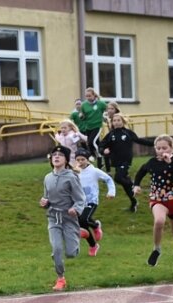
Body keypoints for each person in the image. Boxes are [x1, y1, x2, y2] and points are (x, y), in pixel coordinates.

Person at [133, 135, 173, 271]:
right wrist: (136, 185)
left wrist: (170, 162)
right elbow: (141, 172)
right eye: (158, 148)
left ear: (172, 148)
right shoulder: (152, 162)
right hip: (158, 198)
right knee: (159, 221)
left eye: (164, 148)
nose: (161, 150)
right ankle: (157, 249)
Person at [39, 145, 85, 291]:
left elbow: (80, 199)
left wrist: (76, 209)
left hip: (69, 218)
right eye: (54, 155)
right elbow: (46, 198)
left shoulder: (72, 177)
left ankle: (81, 232)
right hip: (53, 218)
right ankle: (60, 278)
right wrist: (44, 203)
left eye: (60, 155)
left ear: (66, 160)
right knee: (57, 248)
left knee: (71, 253)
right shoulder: (47, 178)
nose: (56, 157)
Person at [99, 113, 153, 212]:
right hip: (116, 161)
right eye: (114, 120)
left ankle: (132, 184)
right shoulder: (111, 134)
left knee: (118, 178)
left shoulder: (128, 133)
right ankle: (133, 202)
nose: (116, 122)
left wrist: (155, 143)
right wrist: (103, 150)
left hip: (125, 160)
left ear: (123, 121)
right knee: (124, 184)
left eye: (118, 120)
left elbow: (139, 140)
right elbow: (101, 145)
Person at [75, 147, 116, 256]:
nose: (80, 162)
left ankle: (96, 226)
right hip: (79, 202)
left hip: (91, 201)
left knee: (84, 219)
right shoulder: (75, 172)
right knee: (82, 224)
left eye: (82, 159)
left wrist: (111, 191)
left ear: (88, 159)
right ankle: (93, 245)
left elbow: (108, 179)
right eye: (78, 160)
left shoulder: (94, 171)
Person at [78, 88, 107, 160]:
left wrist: (105, 116)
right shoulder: (84, 105)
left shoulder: (101, 104)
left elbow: (107, 110)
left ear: (94, 95)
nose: (88, 98)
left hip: (97, 126)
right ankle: (102, 154)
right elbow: (83, 117)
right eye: (86, 96)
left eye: (89, 96)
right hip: (88, 126)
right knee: (96, 143)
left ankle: (95, 156)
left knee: (91, 142)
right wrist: (81, 116)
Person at [102, 101, 121, 172]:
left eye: (112, 109)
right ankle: (108, 171)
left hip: (119, 139)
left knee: (118, 156)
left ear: (116, 109)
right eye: (108, 109)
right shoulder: (108, 117)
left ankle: (120, 171)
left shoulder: (118, 117)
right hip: (111, 137)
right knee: (105, 152)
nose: (110, 110)